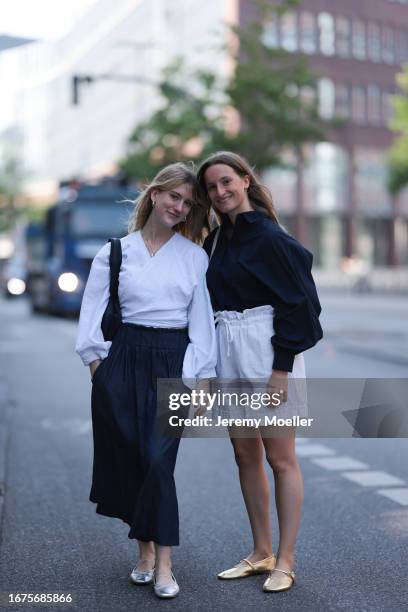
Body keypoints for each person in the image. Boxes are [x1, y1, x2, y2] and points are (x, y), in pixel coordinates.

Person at [75, 162, 217, 599]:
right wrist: (100, 373)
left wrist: (200, 381)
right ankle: (144, 553)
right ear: (155, 195)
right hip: (122, 364)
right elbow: (90, 318)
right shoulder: (115, 252)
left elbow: (201, 327)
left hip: (173, 362)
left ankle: (166, 565)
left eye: (187, 203)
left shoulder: (194, 257)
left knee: (159, 462)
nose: (179, 207)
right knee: (135, 462)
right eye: (174, 196)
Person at [197, 151, 323, 593]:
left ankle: (285, 561)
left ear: (246, 181)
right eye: (212, 187)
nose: (220, 192)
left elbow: (303, 307)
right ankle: (260, 551)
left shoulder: (272, 239)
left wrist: (281, 371)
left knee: (281, 459)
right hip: (229, 350)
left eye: (227, 181)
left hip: (267, 353)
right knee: (244, 456)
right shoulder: (214, 241)